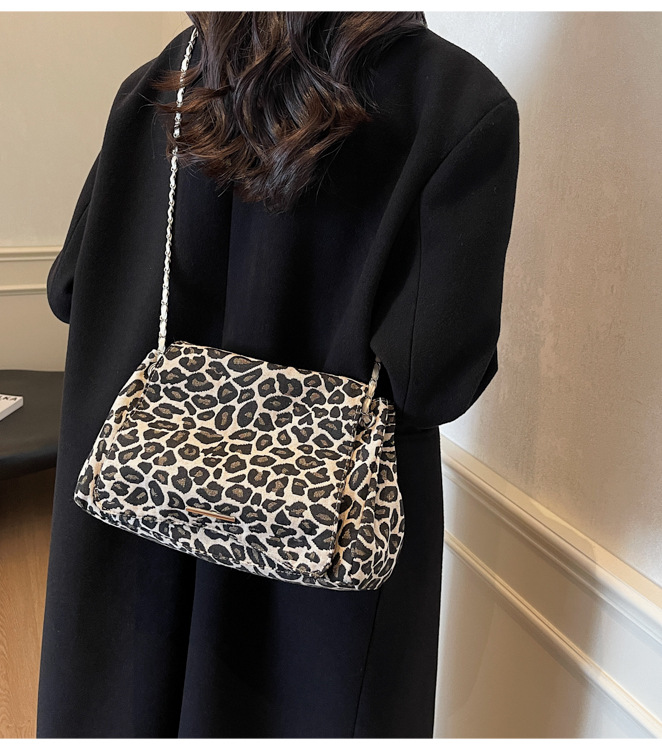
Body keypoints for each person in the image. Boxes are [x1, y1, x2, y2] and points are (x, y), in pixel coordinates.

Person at [37, 11, 519, 738]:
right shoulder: (458, 102)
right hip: (317, 576)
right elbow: (433, 381)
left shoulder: (169, 81)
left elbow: (71, 288)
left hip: (136, 539)